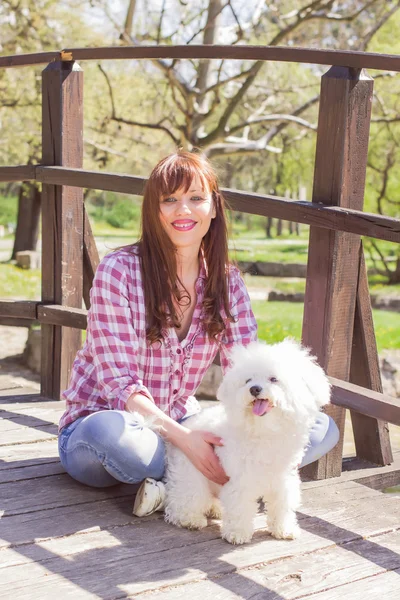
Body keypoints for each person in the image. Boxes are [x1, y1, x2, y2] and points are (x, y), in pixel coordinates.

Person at [58, 151, 339, 517]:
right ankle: (207, 482)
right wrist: (189, 442)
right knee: (114, 436)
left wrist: (223, 433)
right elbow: (120, 384)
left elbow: (246, 367)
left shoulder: (227, 282)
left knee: (320, 428)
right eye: (169, 200)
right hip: (112, 425)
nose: (183, 211)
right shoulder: (119, 271)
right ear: (153, 210)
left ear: (213, 207)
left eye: (195, 198)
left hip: (182, 421)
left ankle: (173, 488)